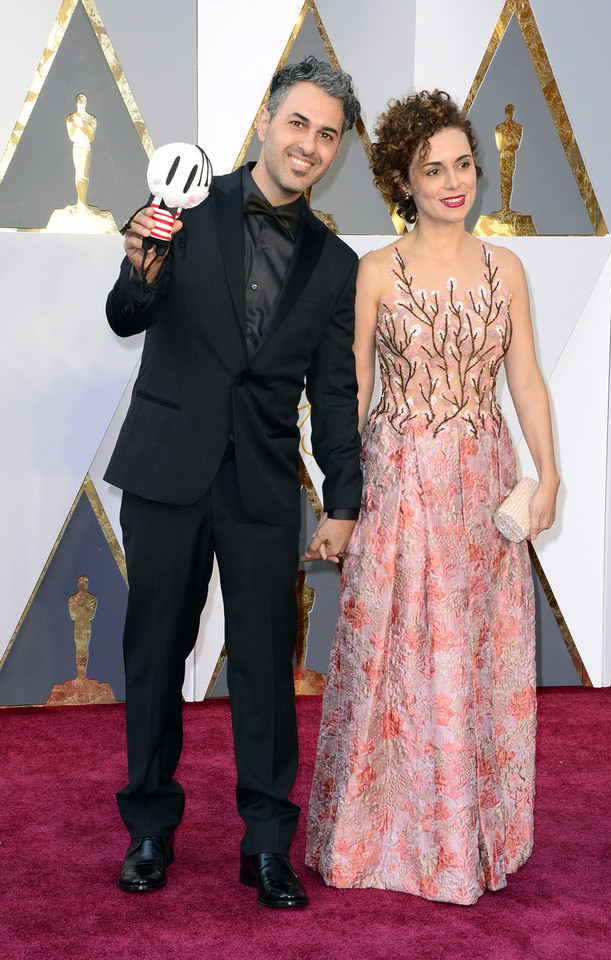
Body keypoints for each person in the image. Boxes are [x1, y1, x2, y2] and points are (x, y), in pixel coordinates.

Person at [105, 56, 362, 907]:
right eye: (300, 125)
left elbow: (334, 392)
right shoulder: (182, 204)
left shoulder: (333, 262)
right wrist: (142, 260)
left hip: (260, 483)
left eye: (327, 136)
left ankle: (265, 845)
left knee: (264, 664)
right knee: (154, 654)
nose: (310, 145)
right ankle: (149, 828)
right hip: (168, 464)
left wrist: (344, 497)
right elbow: (125, 316)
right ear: (265, 120)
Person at [306, 90, 559, 905]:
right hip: (401, 480)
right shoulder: (376, 271)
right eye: (433, 170)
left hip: (483, 481)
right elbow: (347, 389)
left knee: (472, 658)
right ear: (402, 180)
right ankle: (386, 838)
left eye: (464, 166)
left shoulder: (506, 268)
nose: (454, 183)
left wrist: (548, 475)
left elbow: (524, 376)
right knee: (398, 657)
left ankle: (466, 836)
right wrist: (337, 496)